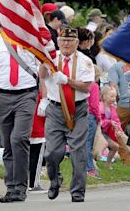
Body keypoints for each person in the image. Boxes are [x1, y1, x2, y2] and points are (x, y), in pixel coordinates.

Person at [0, 32, 41, 203]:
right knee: (8, 143)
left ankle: (21, 186)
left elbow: (42, 67)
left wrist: (44, 96)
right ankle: (11, 187)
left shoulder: (30, 38)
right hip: (3, 96)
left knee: (19, 138)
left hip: (26, 94)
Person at [40, 27, 94, 202]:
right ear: (58, 41)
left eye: (70, 41)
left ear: (77, 43)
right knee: (52, 152)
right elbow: (41, 75)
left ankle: (78, 191)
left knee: (78, 150)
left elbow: (86, 87)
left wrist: (67, 81)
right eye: (63, 40)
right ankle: (55, 179)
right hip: (55, 108)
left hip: (77, 109)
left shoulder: (85, 61)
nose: (66, 44)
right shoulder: (51, 58)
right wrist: (43, 61)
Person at [98, 85, 122, 169]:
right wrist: (109, 122)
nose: (114, 98)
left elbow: (116, 120)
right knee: (100, 148)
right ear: (104, 96)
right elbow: (99, 122)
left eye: (115, 96)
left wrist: (118, 129)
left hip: (105, 133)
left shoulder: (112, 108)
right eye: (111, 96)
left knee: (115, 146)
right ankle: (91, 163)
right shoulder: (99, 107)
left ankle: (107, 164)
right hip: (97, 132)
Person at [86, 66, 102, 179]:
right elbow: (94, 105)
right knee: (88, 143)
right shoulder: (94, 86)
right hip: (90, 115)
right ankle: (89, 168)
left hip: (80, 114)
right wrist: (99, 117)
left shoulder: (83, 84)